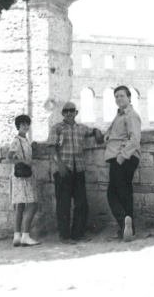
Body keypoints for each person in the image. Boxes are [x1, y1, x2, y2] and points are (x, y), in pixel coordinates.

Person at [48, 102, 104, 244]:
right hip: (63, 170)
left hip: (78, 169)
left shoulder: (82, 129)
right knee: (63, 204)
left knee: (81, 203)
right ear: (62, 113)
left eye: (71, 110)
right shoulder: (56, 128)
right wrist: (59, 164)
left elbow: (93, 130)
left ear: (76, 112)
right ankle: (65, 237)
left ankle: (78, 234)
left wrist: (97, 132)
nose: (68, 113)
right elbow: (52, 148)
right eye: (66, 111)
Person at [105, 86, 141, 242]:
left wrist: (122, 157)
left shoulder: (131, 115)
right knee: (121, 194)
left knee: (115, 194)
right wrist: (106, 136)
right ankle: (126, 229)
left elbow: (135, 139)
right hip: (118, 156)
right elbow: (112, 132)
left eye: (121, 96)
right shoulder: (119, 115)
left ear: (129, 98)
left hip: (124, 157)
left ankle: (126, 225)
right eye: (116, 97)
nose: (119, 99)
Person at [7, 114, 41, 247]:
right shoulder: (17, 140)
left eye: (27, 124)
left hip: (21, 176)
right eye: (23, 125)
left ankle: (17, 236)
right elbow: (9, 158)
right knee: (32, 203)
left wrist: (32, 148)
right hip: (23, 177)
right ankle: (25, 235)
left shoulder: (25, 140)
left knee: (20, 205)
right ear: (18, 126)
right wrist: (23, 160)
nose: (26, 127)